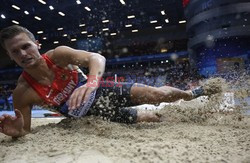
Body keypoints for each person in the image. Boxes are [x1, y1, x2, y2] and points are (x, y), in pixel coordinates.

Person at [0, 25, 205, 138]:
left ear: (37, 44)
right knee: (151, 118)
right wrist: (16, 131)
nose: (23, 54)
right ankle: (187, 117)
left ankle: (190, 94)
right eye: (15, 51)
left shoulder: (58, 56)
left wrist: (90, 84)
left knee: (158, 95)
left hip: (103, 92)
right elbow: (24, 130)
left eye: (26, 46)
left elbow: (96, 58)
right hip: (90, 118)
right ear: (10, 56)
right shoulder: (22, 92)